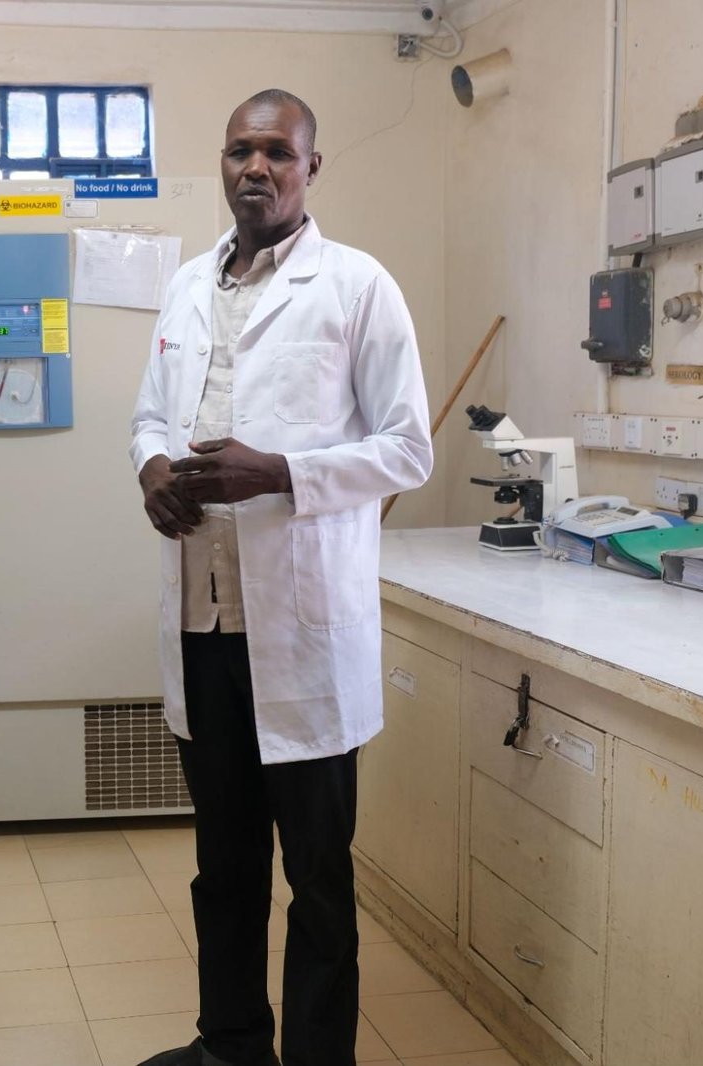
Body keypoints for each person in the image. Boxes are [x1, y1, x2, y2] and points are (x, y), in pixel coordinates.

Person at [129, 89, 433, 1066]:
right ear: (222, 163)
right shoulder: (187, 286)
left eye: (276, 152)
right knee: (222, 868)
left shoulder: (357, 286)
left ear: (310, 167)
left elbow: (409, 448)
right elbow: (148, 416)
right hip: (204, 625)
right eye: (239, 151)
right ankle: (229, 1045)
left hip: (301, 639)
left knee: (317, 880)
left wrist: (282, 474)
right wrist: (150, 468)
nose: (255, 167)